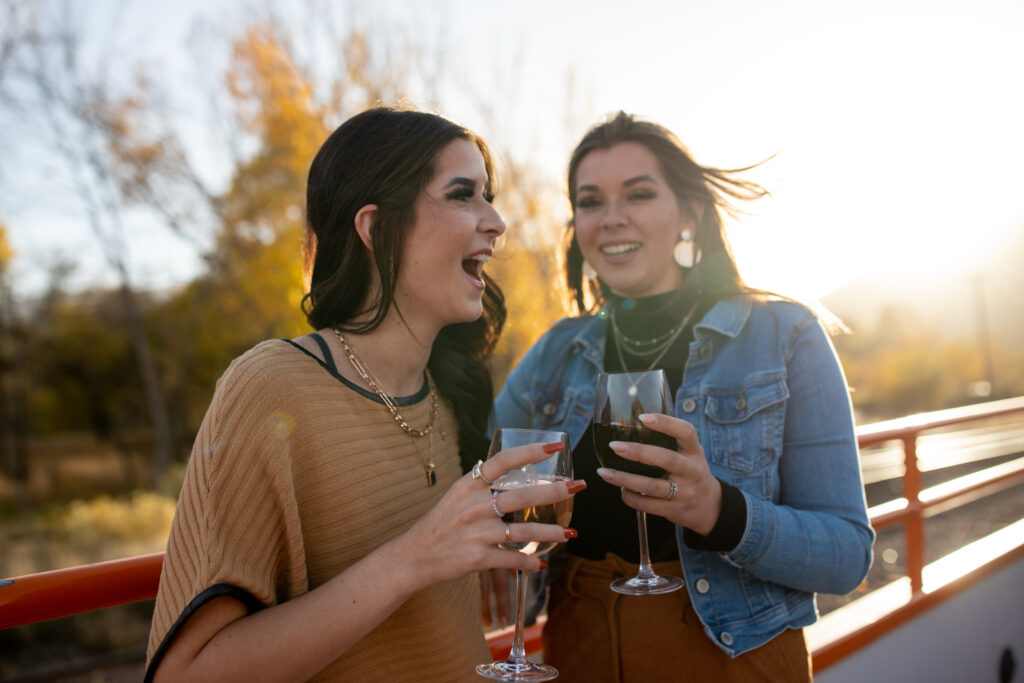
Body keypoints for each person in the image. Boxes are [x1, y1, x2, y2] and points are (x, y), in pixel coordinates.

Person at [145, 107, 586, 683]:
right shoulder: (270, 387)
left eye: (489, 196)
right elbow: (186, 675)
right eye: (462, 195)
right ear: (375, 229)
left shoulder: (450, 391)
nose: (496, 222)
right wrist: (414, 557)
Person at [491, 112, 874, 681]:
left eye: (639, 194)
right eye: (591, 202)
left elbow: (847, 557)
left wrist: (719, 511)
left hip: (732, 661)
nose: (612, 218)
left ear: (689, 214)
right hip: (578, 654)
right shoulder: (556, 351)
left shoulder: (784, 335)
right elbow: (479, 472)